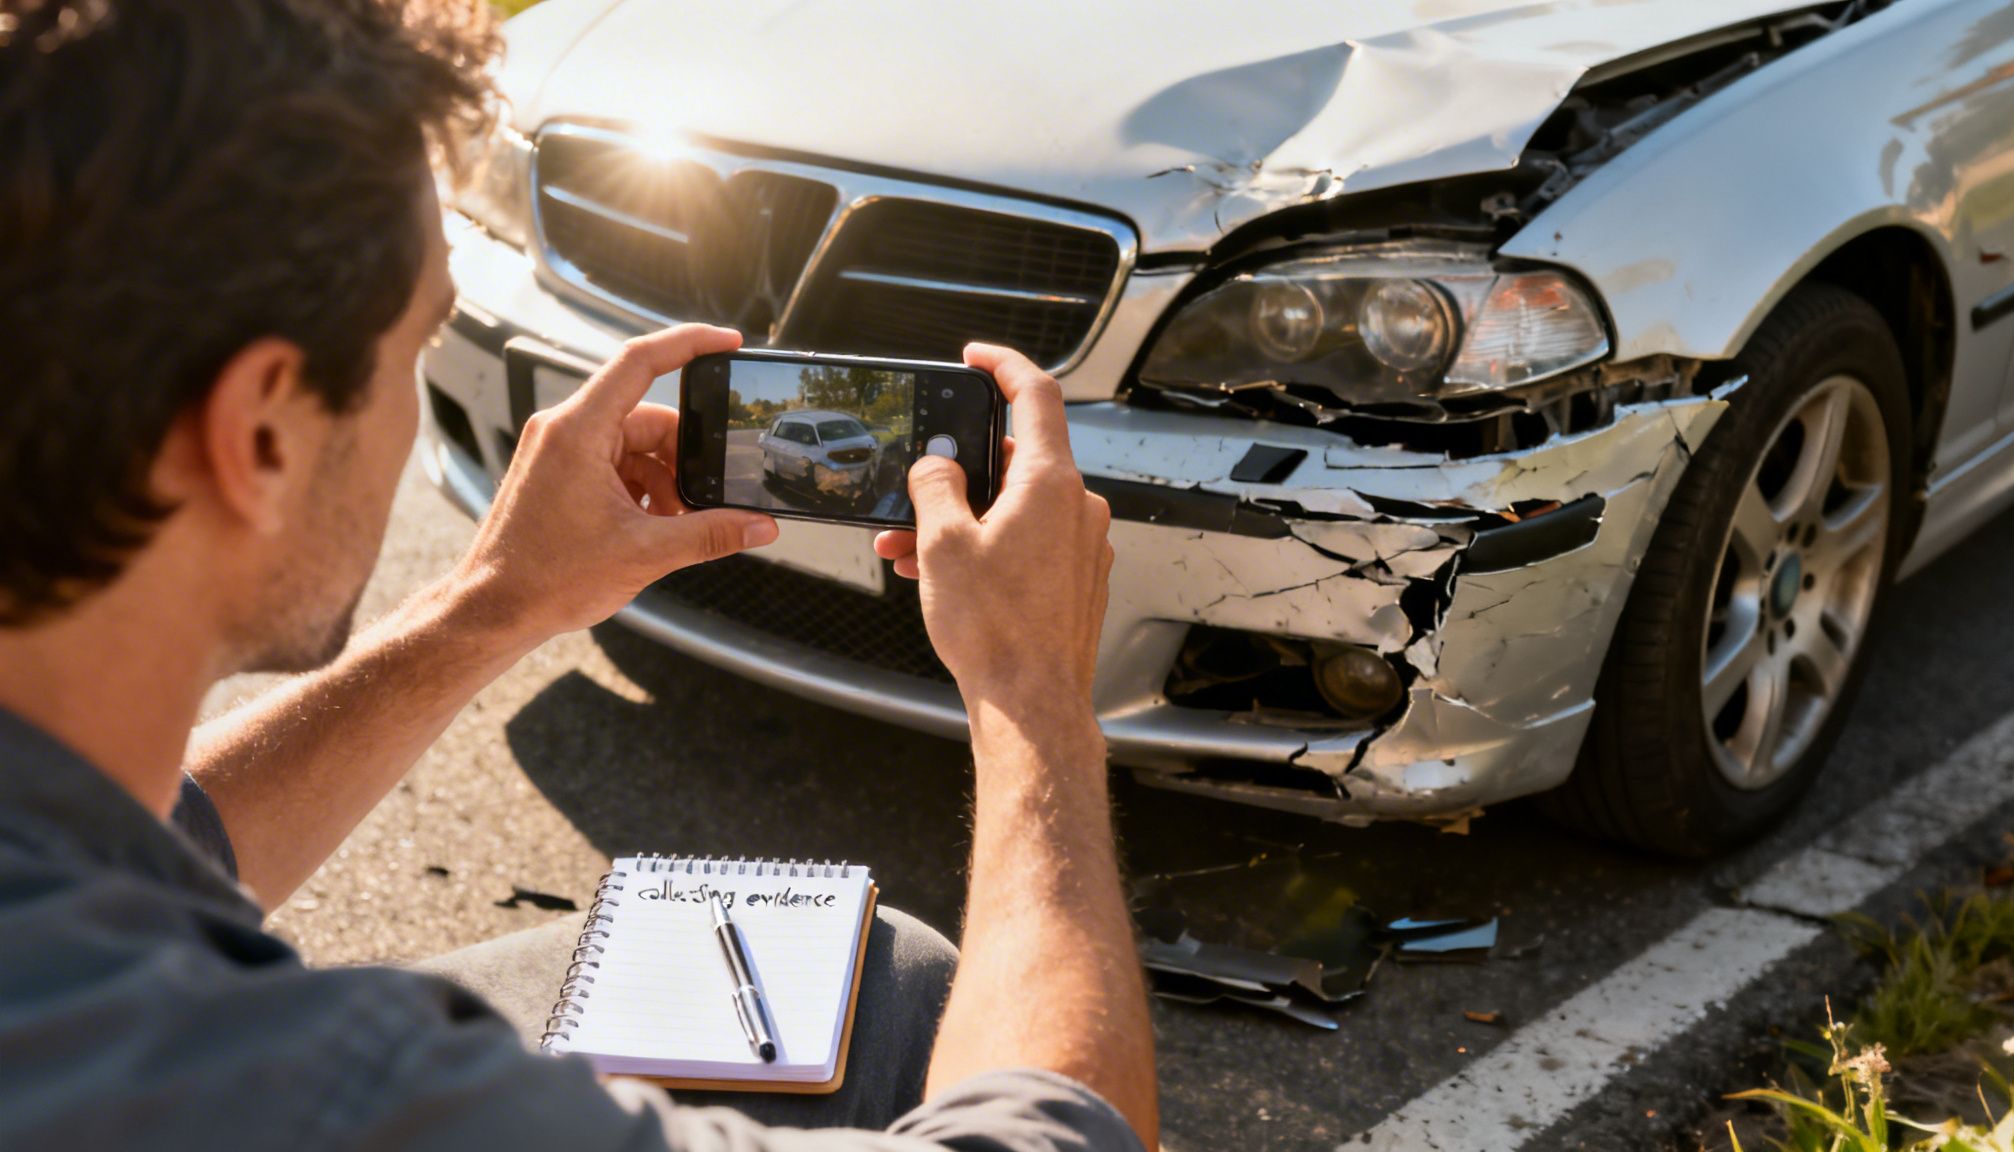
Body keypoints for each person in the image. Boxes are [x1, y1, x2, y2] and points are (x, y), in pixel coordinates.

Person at [0, 1, 1158, 1150]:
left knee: (878, 986)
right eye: (416, 345)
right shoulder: (286, 1083)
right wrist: (1034, 695)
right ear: (261, 435)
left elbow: (136, 841)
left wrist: (491, 607)